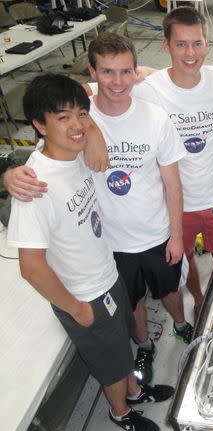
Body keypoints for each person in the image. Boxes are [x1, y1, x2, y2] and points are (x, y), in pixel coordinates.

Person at [5, 33, 195, 386]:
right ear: (92, 72)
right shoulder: (74, 123)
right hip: (112, 242)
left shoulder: (155, 118)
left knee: (170, 288)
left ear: (136, 72)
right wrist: (10, 174)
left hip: (157, 232)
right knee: (133, 298)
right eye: (107, 72)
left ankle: (182, 325)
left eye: (126, 72)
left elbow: (173, 183)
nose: (118, 82)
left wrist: (178, 235)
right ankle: (144, 343)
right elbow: (41, 161)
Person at [8, 74, 174, 431]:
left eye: (81, 114)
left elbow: (100, 94)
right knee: (109, 365)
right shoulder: (36, 186)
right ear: (39, 124)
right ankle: (120, 414)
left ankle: (133, 392)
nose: (77, 125)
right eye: (62, 117)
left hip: (107, 274)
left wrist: (93, 131)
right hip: (83, 295)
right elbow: (31, 267)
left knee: (121, 348)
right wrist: (77, 308)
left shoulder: (74, 153)